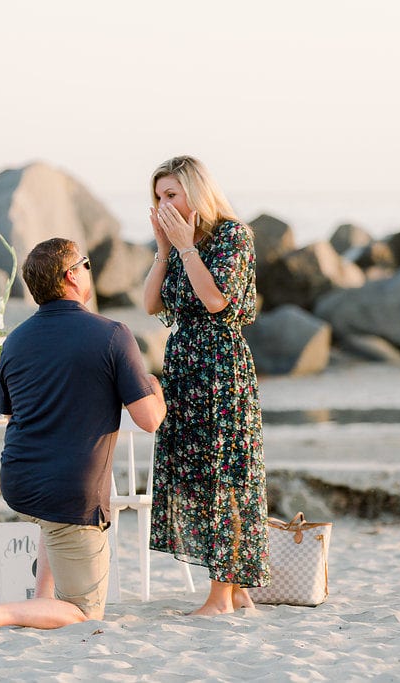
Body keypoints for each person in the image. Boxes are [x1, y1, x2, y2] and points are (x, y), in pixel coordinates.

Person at [0, 237, 167, 631]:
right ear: (72, 276)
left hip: (19, 481)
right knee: (85, 614)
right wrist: (155, 387)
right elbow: (149, 420)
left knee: (52, 525)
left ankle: (41, 601)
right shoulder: (112, 334)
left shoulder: (16, 340)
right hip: (71, 491)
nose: (90, 270)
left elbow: (13, 413)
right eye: (86, 264)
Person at [142, 155, 270, 615]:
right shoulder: (177, 243)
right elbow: (151, 302)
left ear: (195, 193)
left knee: (226, 477)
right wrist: (165, 249)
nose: (163, 203)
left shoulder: (233, 236)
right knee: (196, 476)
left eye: (171, 194)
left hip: (220, 367)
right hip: (184, 368)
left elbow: (216, 301)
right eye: (158, 196)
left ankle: (221, 595)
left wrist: (187, 249)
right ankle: (237, 593)